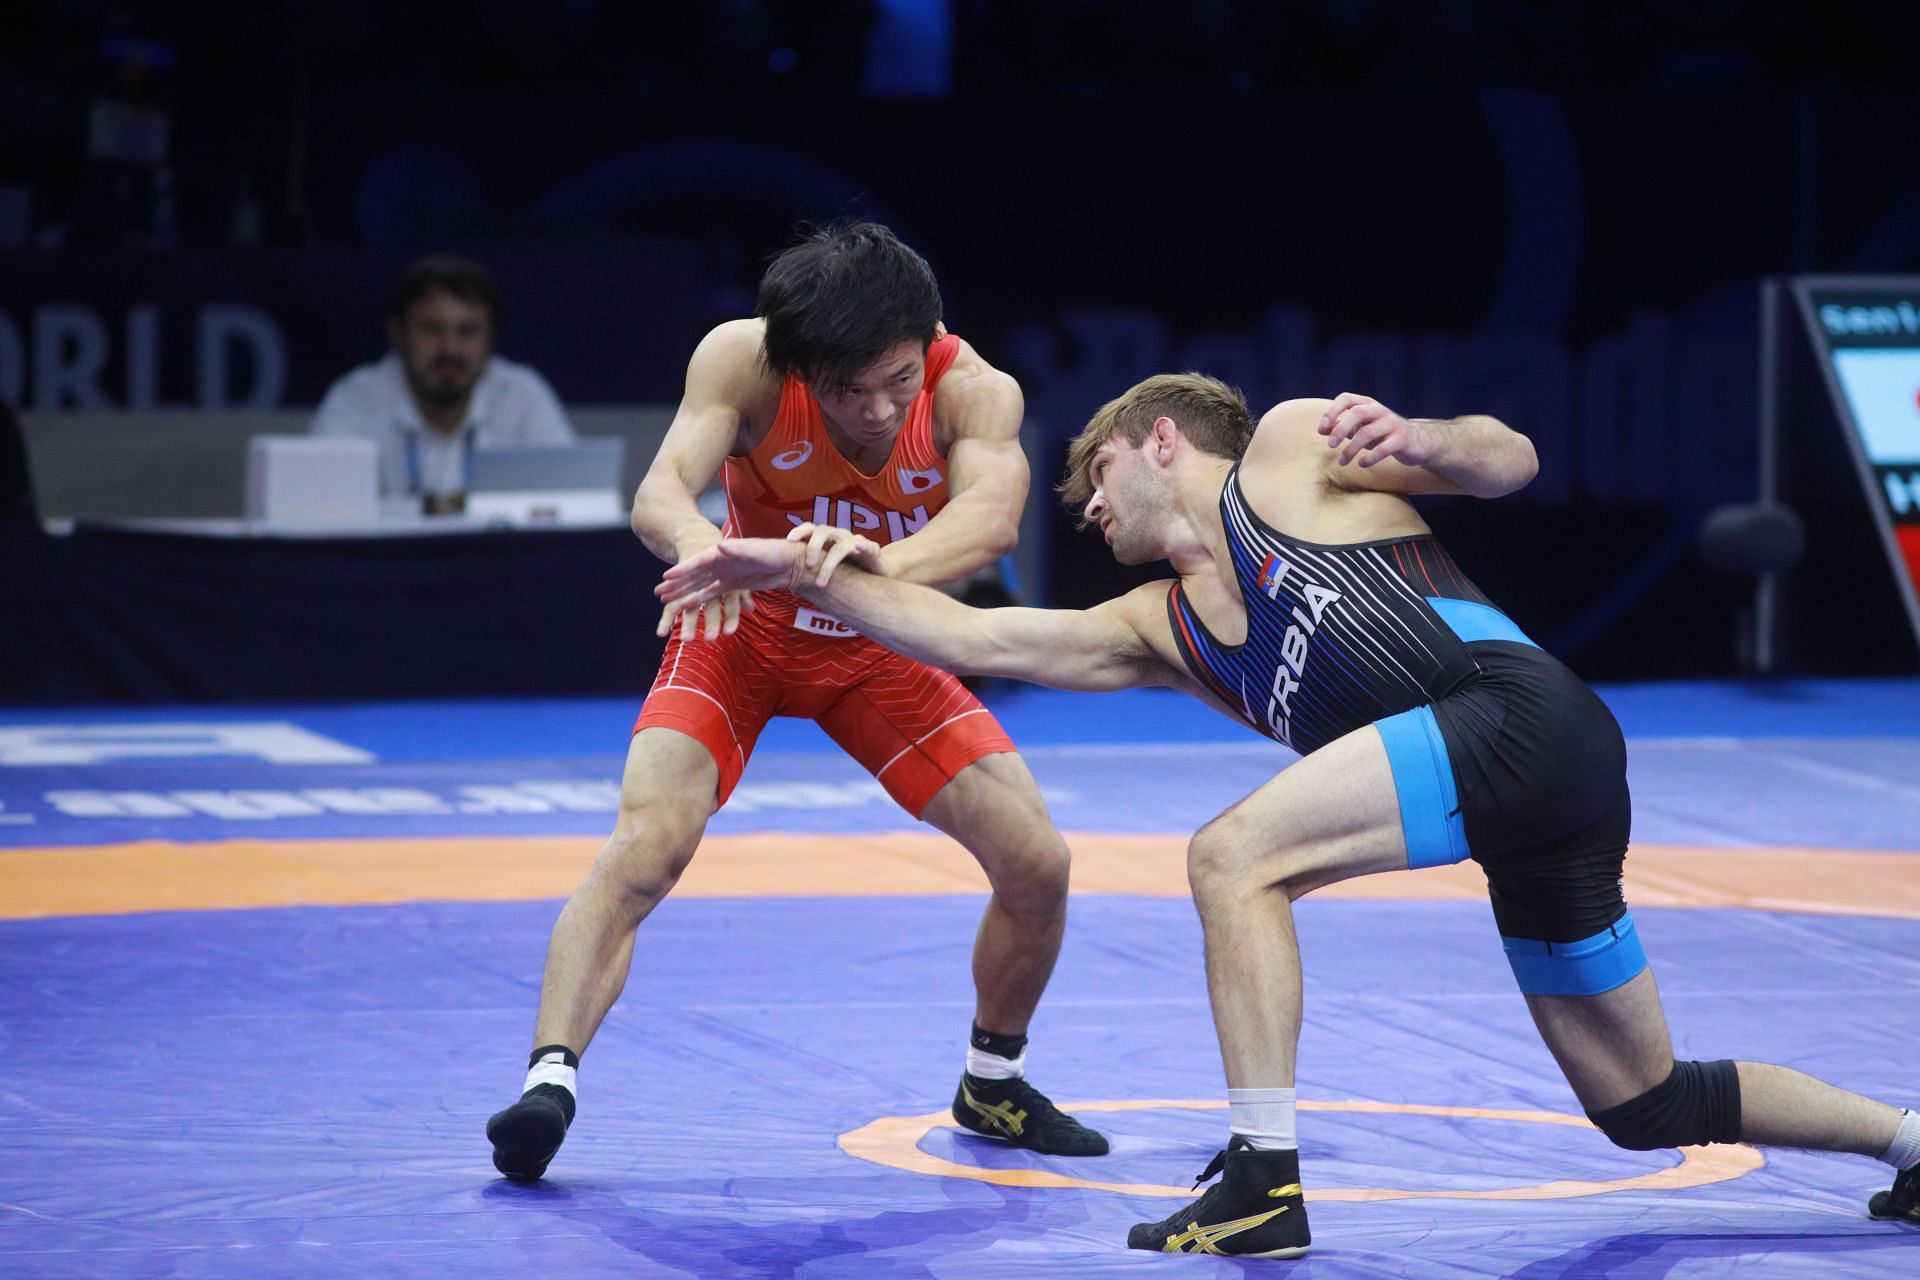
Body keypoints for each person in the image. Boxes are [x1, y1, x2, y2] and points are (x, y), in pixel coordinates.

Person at [660, 375, 1920, 1259]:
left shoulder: (1289, 446)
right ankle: (1911, 1139)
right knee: (1641, 1100)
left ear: (1159, 440)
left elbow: (1511, 459)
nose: (1085, 513)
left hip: (1522, 712)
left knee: (1232, 854)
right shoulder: (1164, 631)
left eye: (1094, 476)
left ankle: (1265, 1176)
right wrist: (800, 561)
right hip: (1533, 794)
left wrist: (1423, 432)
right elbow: (970, 631)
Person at [483, 221, 1108, 1181]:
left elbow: (990, 522)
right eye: (846, 388)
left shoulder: (973, 389)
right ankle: (548, 1085)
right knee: (645, 851)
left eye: (897, 380)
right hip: (740, 636)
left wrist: (877, 570)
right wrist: (704, 551)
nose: (874, 409)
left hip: (881, 649)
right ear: (796, 361)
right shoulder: (743, 361)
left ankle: (993, 1081)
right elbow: (659, 492)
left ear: (926, 336)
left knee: (1039, 862)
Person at [310, 255, 574, 512]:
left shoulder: (521, 394)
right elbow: (320, 508)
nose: (450, 349)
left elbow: (573, 499)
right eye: (432, 329)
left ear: (491, 338)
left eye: (467, 331)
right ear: (397, 333)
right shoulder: (355, 400)